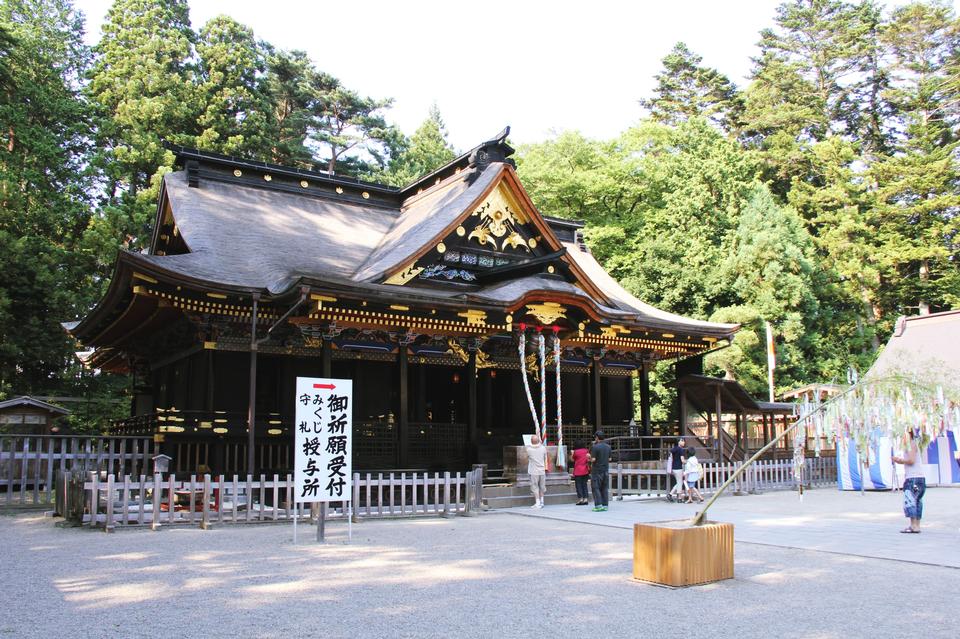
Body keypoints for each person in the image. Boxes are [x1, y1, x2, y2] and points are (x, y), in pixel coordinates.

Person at [892, 430, 925, 533]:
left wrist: (900, 461)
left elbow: (911, 460)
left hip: (913, 478)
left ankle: (913, 525)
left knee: (911, 500)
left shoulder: (911, 444)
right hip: (919, 477)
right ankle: (917, 525)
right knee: (917, 501)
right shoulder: (914, 444)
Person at [588, 431, 612, 512]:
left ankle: (598, 505)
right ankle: (605, 505)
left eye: (595, 437)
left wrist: (588, 457)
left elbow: (593, 459)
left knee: (596, 488)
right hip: (605, 470)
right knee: (604, 488)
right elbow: (610, 459)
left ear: (597, 437)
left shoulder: (595, 447)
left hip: (597, 470)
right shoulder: (608, 447)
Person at [525, 434, 547, 509]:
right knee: (542, 486)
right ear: (538, 441)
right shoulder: (543, 448)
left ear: (531, 441)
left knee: (535, 487)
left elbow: (527, 457)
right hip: (542, 470)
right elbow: (544, 457)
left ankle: (537, 503)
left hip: (534, 471)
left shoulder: (529, 449)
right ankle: (542, 502)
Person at [569, 440, 591, 506]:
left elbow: (572, 460)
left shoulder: (576, 452)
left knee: (578, 485)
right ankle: (586, 499)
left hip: (578, 471)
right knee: (584, 484)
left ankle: (581, 499)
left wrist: (571, 454)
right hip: (585, 470)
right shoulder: (586, 451)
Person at [666, 438, 686, 502]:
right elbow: (682, 461)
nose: (683, 442)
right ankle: (679, 498)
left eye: (684, 441)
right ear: (678, 442)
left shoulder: (673, 449)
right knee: (680, 483)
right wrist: (687, 462)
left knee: (679, 482)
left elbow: (671, 458)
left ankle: (670, 494)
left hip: (673, 468)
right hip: (678, 468)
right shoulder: (681, 450)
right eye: (682, 441)